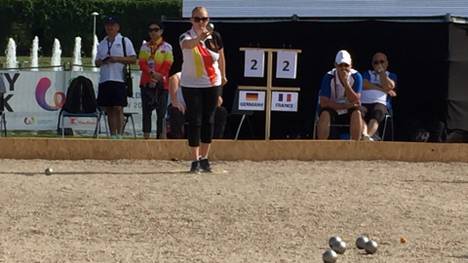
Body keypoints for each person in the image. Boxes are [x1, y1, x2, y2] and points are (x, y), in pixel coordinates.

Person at [179, 6, 228, 173]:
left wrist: (224, 76)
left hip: (212, 83)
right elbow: (188, 45)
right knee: (195, 121)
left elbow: (221, 57)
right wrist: (199, 38)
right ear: (191, 20)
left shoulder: (215, 37)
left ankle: (205, 158)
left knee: (209, 119)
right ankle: (194, 160)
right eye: (197, 19)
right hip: (191, 85)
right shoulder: (186, 36)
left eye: (204, 19)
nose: (201, 22)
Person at [95, 16, 137, 138]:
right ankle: (113, 134)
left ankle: (120, 134)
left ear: (118, 27)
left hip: (119, 79)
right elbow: (96, 62)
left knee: (118, 107)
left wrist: (117, 59)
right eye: (108, 25)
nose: (110, 27)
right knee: (109, 108)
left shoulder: (124, 41)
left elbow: (133, 59)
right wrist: (103, 61)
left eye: (112, 25)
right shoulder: (102, 43)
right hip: (105, 79)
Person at [138, 21, 174, 139]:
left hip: (162, 84)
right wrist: (152, 73)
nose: (153, 32)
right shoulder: (144, 46)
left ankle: (160, 139)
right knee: (146, 112)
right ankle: (146, 139)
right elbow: (142, 63)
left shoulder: (167, 46)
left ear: (161, 31)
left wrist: (158, 77)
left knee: (161, 113)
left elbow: (168, 64)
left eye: (156, 29)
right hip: (146, 82)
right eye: (150, 30)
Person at [317, 50, 363, 140]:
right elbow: (323, 102)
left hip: (348, 110)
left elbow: (356, 100)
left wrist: (346, 83)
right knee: (325, 114)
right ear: (335, 65)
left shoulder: (356, 76)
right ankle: (321, 146)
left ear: (351, 65)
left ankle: (356, 146)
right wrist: (345, 106)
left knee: (357, 113)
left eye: (346, 65)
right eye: (340, 65)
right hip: (334, 109)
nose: (343, 68)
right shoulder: (328, 77)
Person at [167, 72, 227, 139]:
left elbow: (218, 99)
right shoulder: (188, 74)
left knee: (221, 111)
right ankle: (177, 141)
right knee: (175, 110)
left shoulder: (208, 79)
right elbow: (173, 79)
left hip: (201, 110)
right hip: (184, 109)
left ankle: (215, 141)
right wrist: (175, 101)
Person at [361, 52, 397, 141]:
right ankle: (366, 134)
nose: (379, 64)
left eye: (382, 62)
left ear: (387, 63)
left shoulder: (391, 75)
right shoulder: (367, 73)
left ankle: (367, 136)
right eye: (376, 62)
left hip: (381, 103)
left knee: (377, 112)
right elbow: (364, 84)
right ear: (372, 64)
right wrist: (384, 90)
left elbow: (389, 85)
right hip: (365, 102)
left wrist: (381, 73)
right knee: (358, 113)